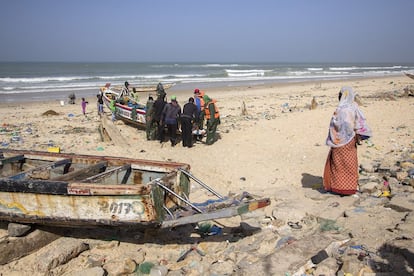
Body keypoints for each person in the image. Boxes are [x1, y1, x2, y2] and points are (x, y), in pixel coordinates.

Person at [323, 86, 372, 195]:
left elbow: (334, 126)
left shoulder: (339, 109)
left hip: (337, 142)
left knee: (338, 165)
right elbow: (359, 123)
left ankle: (337, 187)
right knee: (350, 164)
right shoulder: (353, 108)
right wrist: (358, 135)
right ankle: (349, 188)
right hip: (350, 141)